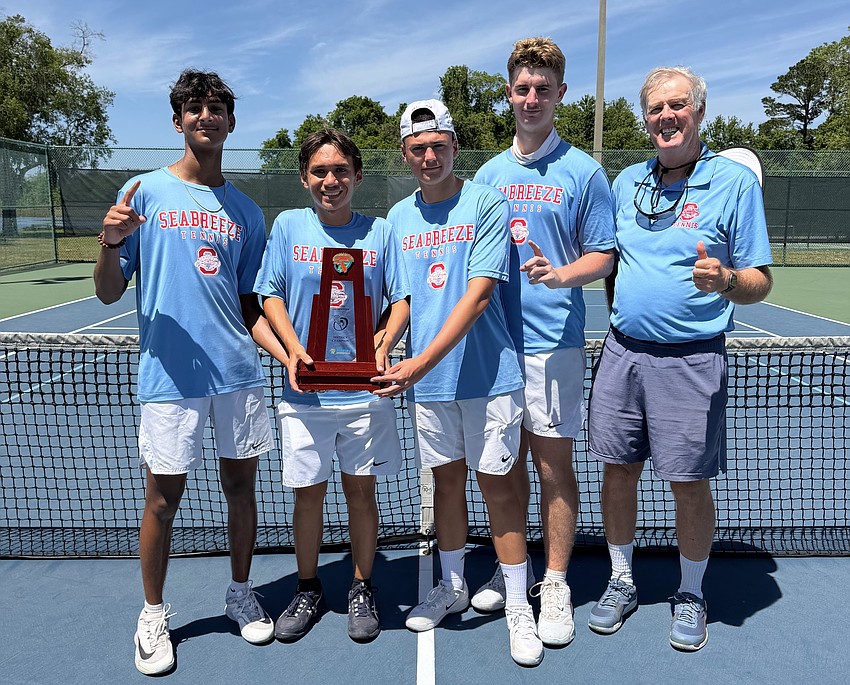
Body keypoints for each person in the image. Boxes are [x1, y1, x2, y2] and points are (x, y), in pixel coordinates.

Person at [93, 70, 288, 675]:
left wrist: (288, 356)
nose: (206, 117)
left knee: (241, 490)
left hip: (238, 375)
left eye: (216, 109)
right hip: (168, 380)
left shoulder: (248, 211)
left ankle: (239, 591)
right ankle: (152, 616)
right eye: (194, 109)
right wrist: (107, 241)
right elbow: (106, 294)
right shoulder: (144, 193)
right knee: (161, 501)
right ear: (178, 121)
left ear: (231, 121)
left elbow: (252, 305)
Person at [586, 66, 773, 651]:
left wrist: (724, 281)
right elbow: (613, 261)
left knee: (688, 481)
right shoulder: (627, 182)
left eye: (677, 106)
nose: (666, 117)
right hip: (622, 354)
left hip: (692, 361)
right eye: (655, 109)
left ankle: (691, 591)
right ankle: (621, 580)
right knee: (618, 472)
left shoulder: (734, 183)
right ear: (646, 119)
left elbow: (760, 281)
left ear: (698, 112)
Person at [372, 100, 543, 666]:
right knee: (445, 487)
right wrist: (382, 345)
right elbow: (400, 300)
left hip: (490, 378)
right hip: (431, 386)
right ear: (405, 153)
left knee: (497, 486)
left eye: (437, 146)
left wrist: (416, 363)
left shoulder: (487, 202)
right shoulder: (397, 219)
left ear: (454, 147)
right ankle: (451, 585)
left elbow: (477, 296)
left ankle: (519, 606)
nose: (428, 157)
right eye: (417, 149)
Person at [472, 36, 615, 647]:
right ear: (510, 94)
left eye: (543, 88)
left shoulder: (583, 171)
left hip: (554, 345)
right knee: (501, 471)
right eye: (522, 88)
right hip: (495, 347)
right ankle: (516, 573)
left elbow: (605, 256)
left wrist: (562, 274)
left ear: (561, 95)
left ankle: (554, 583)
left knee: (553, 467)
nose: (532, 98)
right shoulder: (487, 174)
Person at [253, 128, 410, 643]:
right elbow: (268, 293)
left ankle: (362, 586)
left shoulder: (381, 232)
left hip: (364, 392)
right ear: (304, 178)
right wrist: (292, 350)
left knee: (361, 493)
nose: (331, 180)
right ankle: (308, 586)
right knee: (308, 496)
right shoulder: (287, 227)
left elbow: (400, 299)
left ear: (358, 176)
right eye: (320, 171)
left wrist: (383, 346)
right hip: (305, 395)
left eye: (341, 170)